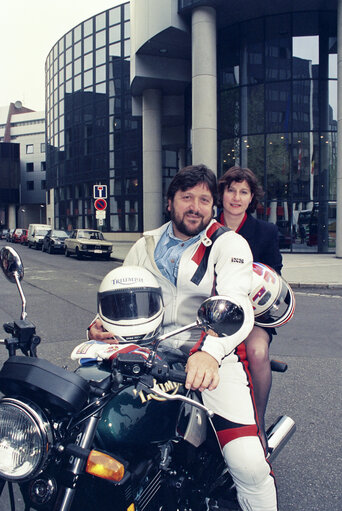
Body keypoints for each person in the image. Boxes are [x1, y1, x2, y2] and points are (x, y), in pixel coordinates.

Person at [89, 164, 278, 511]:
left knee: (249, 463)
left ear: (212, 205)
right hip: (148, 353)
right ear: (170, 202)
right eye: (186, 197)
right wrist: (101, 324)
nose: (195, 206)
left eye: (204, 199)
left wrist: (209, 352)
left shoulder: (230, 243)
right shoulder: (146, 244)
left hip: (211, 358)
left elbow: (235, 300)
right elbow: (121, 289)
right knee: (87, 416)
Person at [217, 165, 283, 451]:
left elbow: (275, 277)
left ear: (251, 197)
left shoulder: (265, 232)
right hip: (213, 311)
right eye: (231, 189)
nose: (236, 197)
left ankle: (257, 424)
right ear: (222, 193)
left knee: (257, 352)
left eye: (243, 191)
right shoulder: (206, 227)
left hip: (254, 314)